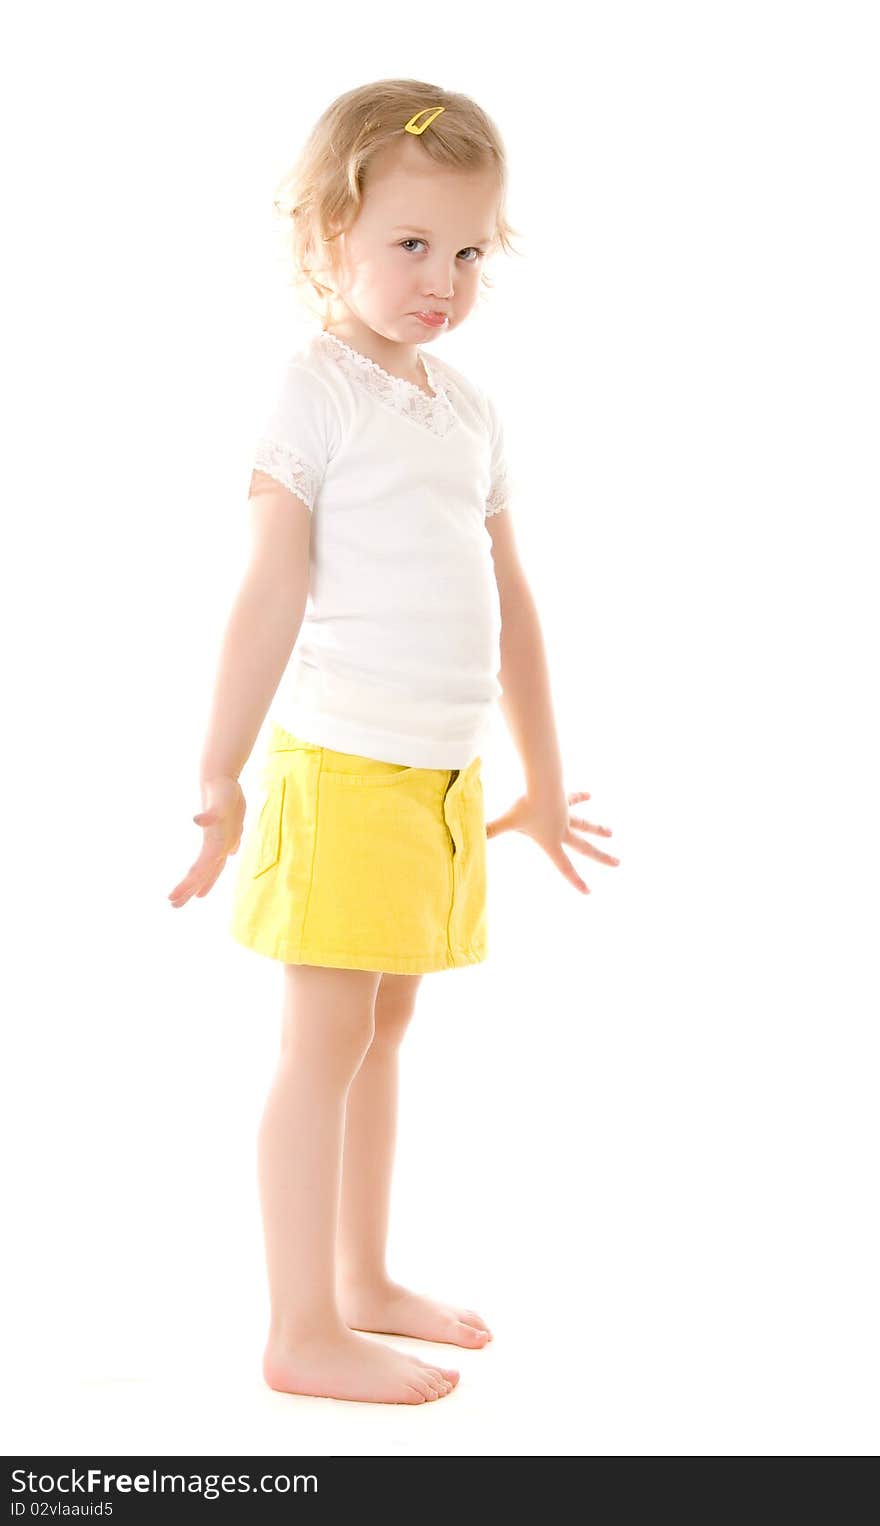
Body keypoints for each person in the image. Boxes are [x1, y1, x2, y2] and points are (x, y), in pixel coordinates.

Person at [167, 78, 620, 1406]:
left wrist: (535, 777)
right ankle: (300, 1324)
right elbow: (267, 588)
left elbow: (510, 602)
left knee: (388, 1027)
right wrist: (220, 768)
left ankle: (360, 1278)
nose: (445, 278)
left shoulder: (464, 407)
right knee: (325, 1040)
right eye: (411, 245)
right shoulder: (313, 393)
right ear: (327, 239)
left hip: (436, 777)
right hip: (340, 767)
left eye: (469, 249)